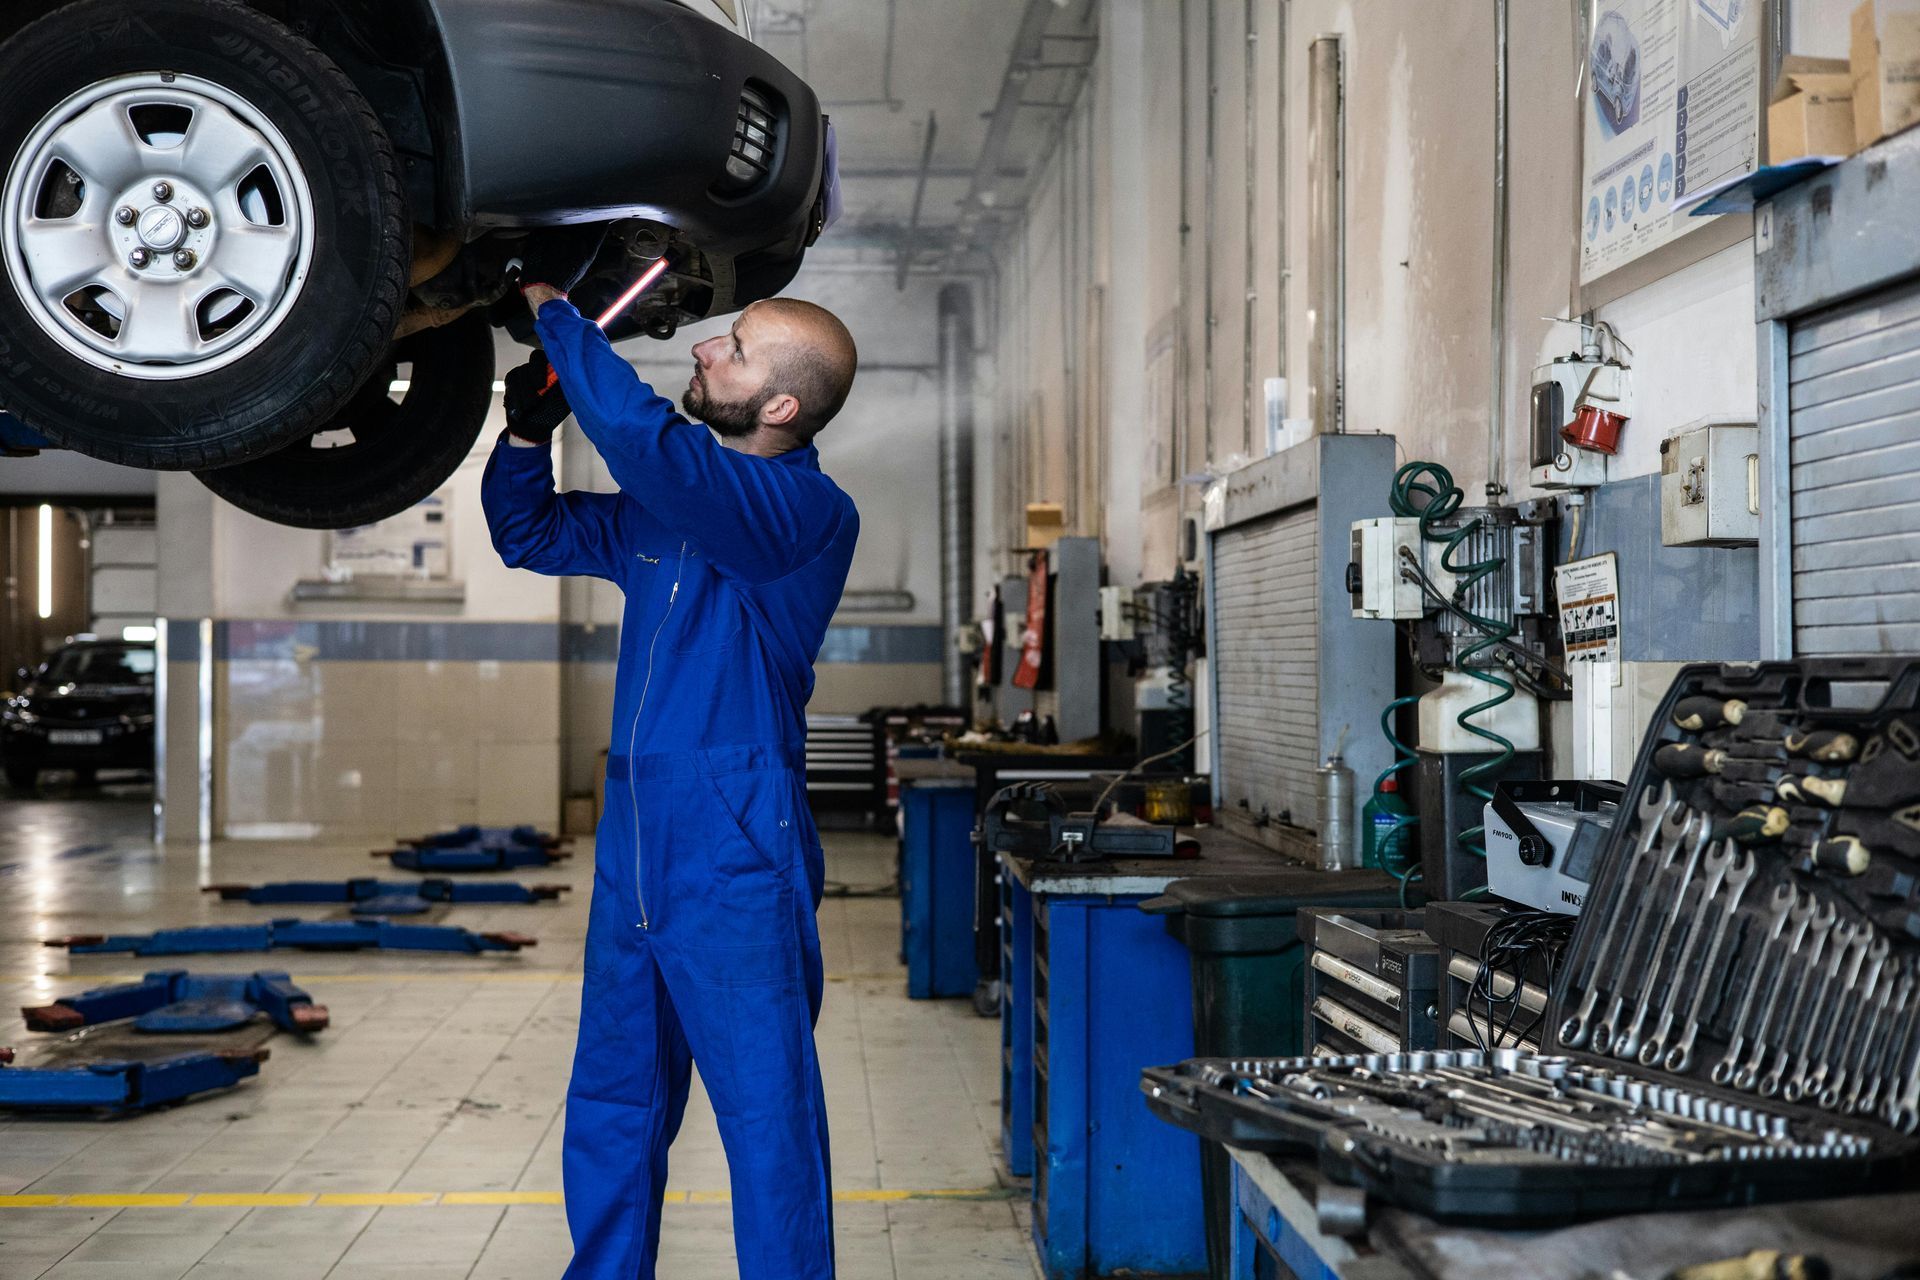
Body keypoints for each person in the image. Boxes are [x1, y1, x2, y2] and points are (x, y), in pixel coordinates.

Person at [481, 237, 860, 1280]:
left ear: (781, 406)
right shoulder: (670, 508)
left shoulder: (803, 515)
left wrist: (561, 312)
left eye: (732, 348)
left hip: (736, 852)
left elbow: (654, 448)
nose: (704, 346)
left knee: (767, 1120)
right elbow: (533, 535)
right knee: (612, 1098)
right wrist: (522, 434)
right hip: (638, 843)